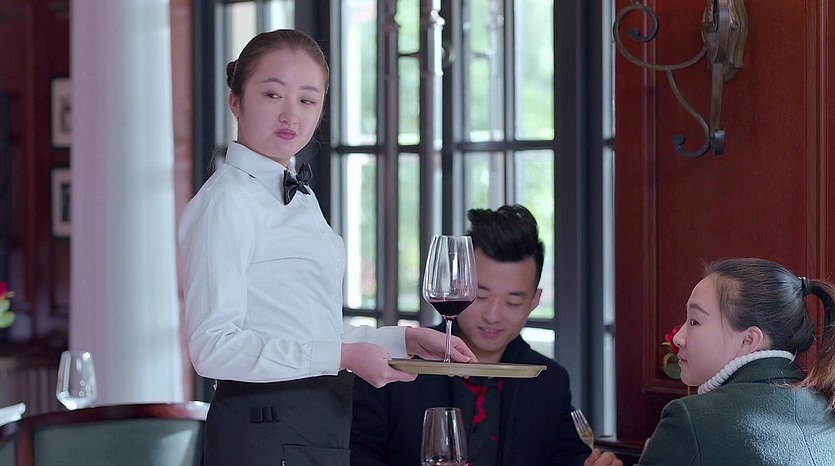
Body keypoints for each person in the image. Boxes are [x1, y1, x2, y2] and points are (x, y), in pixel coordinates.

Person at [178, 29, 476, 466]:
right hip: (265, 431)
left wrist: (402, 339)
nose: (290, 115)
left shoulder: (299, 197)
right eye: (272, 95)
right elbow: (213, 347)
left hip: (317, 427)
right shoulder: (226, 203)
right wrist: (343, 356)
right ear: (235, 101)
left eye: (307, 100)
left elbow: (308, 329)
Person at [350, 205, 621, 466]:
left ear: (534, 301)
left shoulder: (548, 381)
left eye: (513, 302)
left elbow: (568, 457)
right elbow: (356, 454)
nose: (493, 315)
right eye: (480, 296)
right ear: (458, 287)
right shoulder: (396, 366)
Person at [636, 257, 835, 465]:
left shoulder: (692, 419)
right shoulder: (826, 408)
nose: (678, 338)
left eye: (694, 321)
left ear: (749, 339)